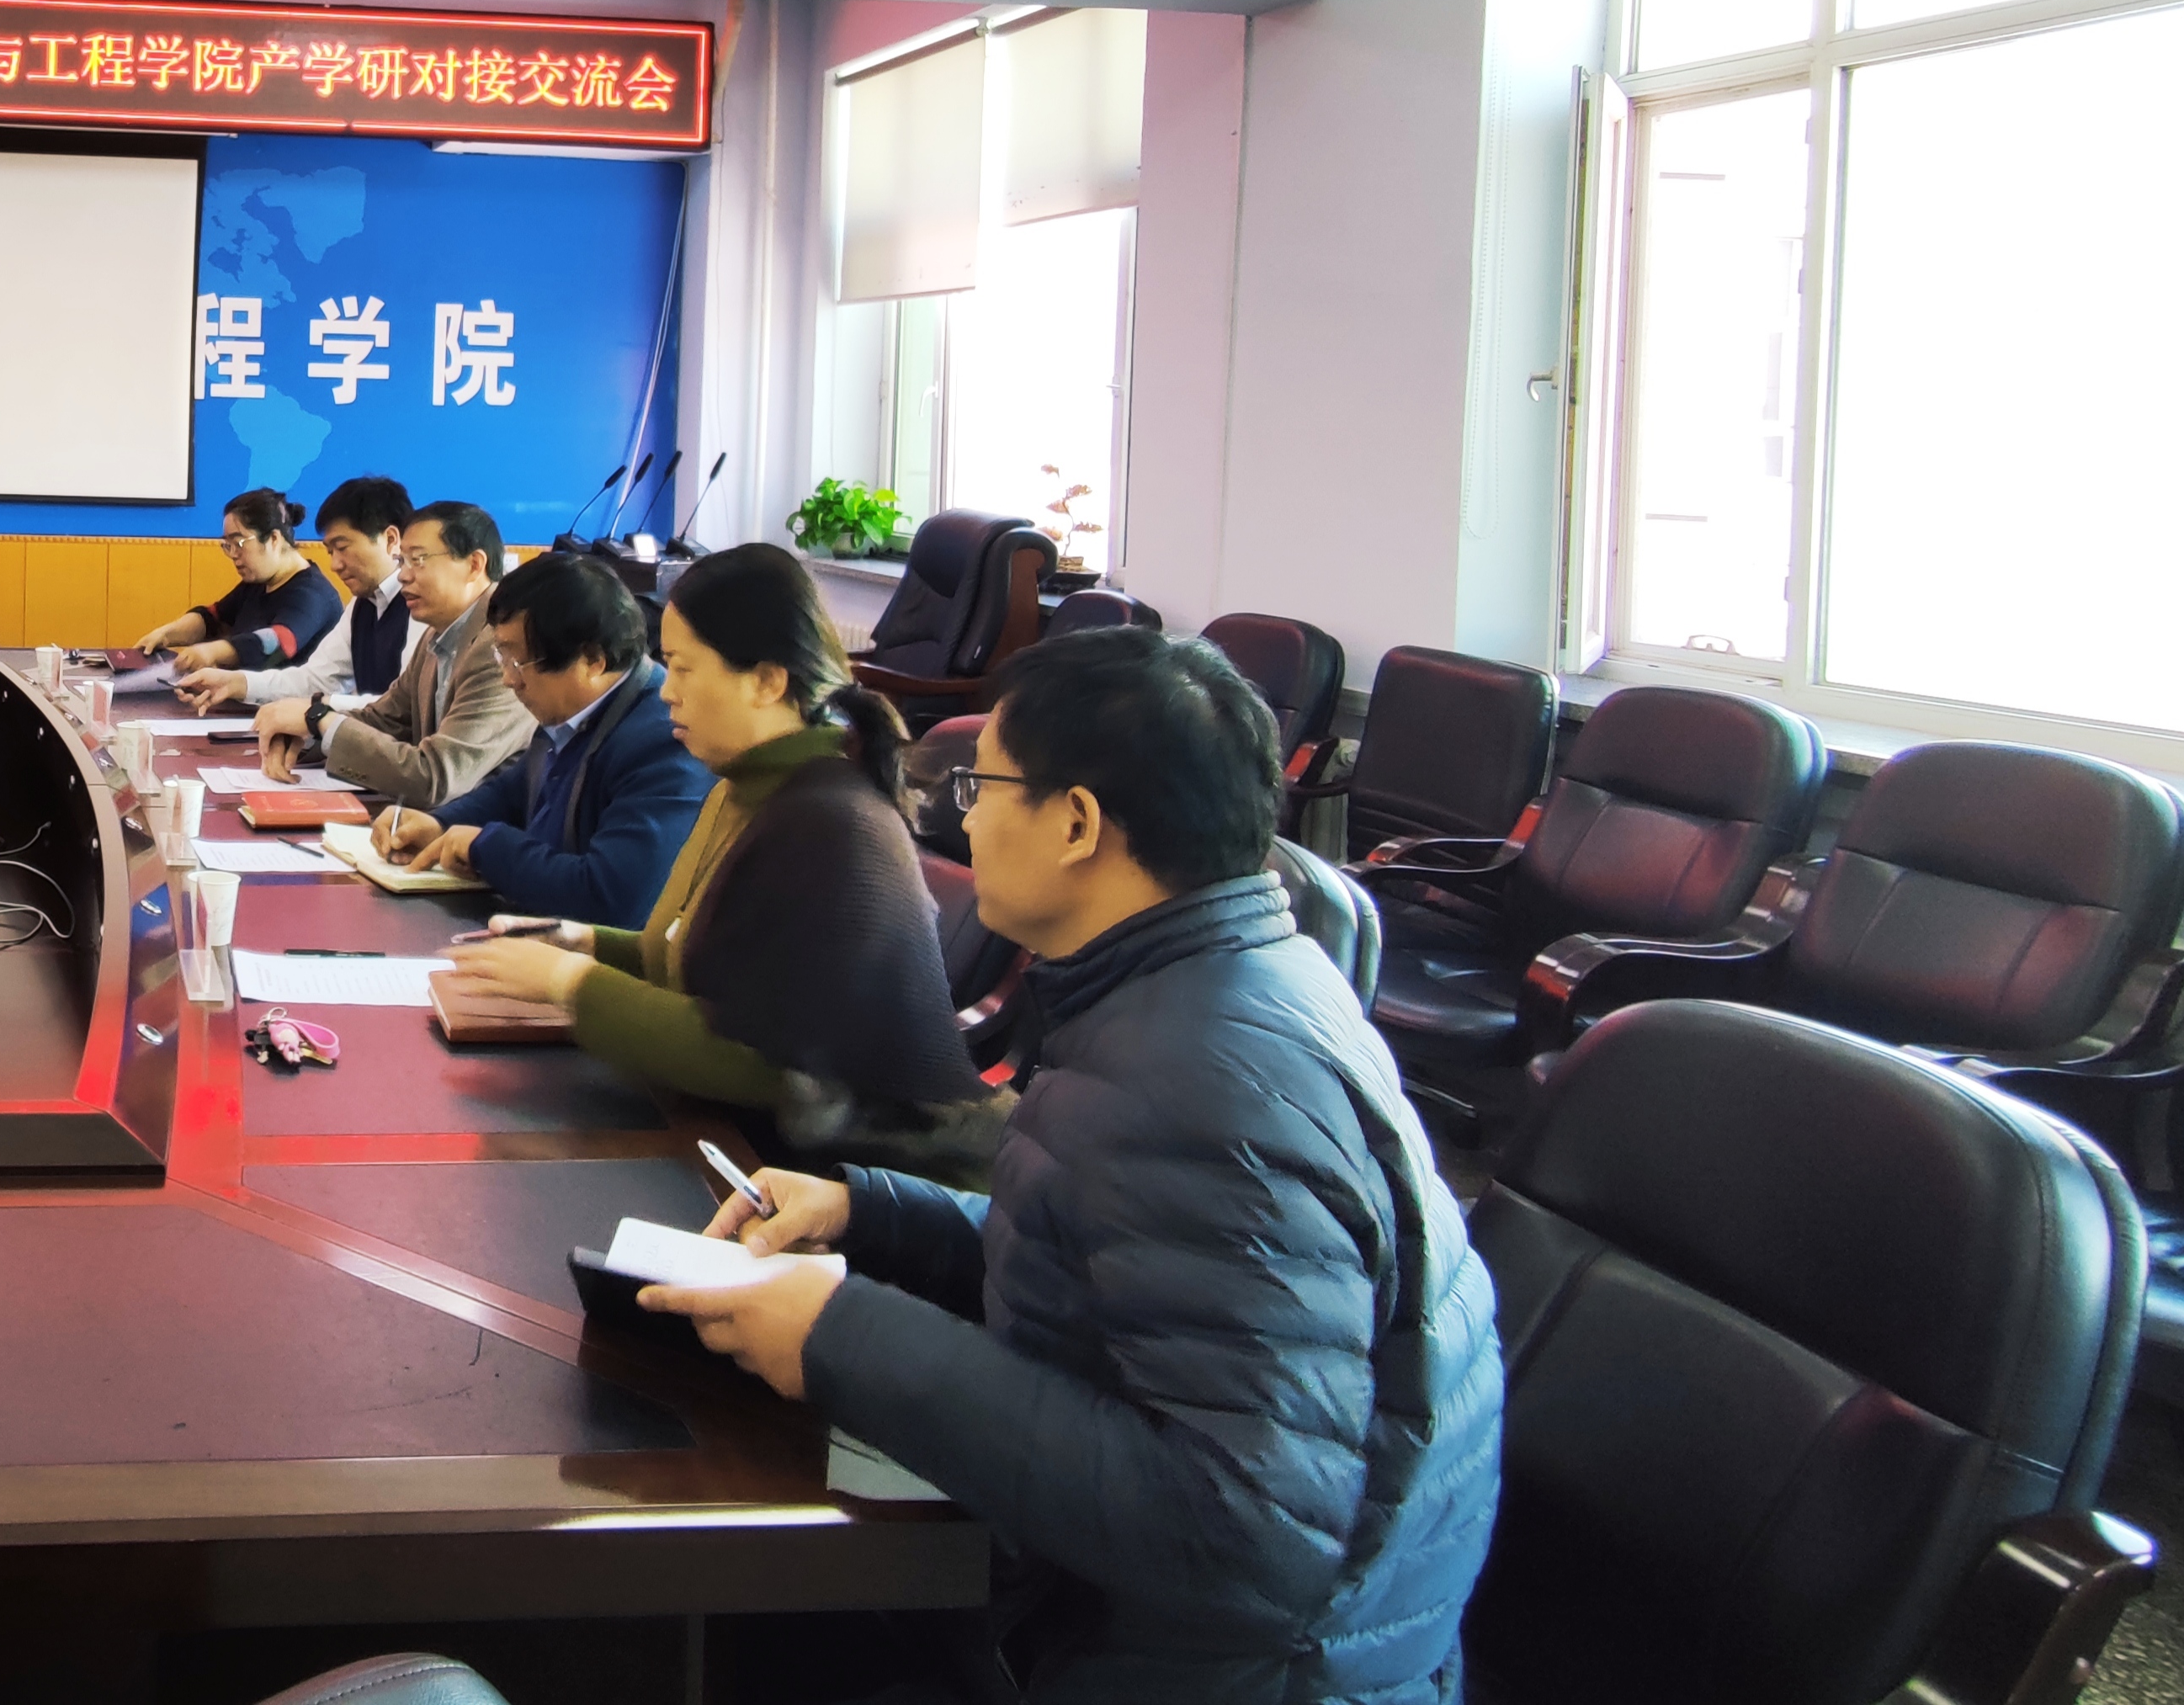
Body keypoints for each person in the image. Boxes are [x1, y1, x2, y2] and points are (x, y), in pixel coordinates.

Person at [641, 629, 1503, 1705]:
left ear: (1078, 823)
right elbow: (1128, 1270)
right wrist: (873, 1213)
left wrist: (840, 1334)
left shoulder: (1199, 1081)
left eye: (981, 787)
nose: (961, 817)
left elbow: (1241, 1528)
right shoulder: (1224, 980)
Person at [438, 542, 994, 1178]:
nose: (666, 693)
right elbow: (697, 956)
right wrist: (584, 942)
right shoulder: (745, 782)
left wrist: (567, 982)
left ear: (766, 681)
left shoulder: (829, 821)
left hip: (851, 1179)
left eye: (682, 668)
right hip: (748, 1147)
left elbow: (764, 1064)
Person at [373, 551, 711, 930]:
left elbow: (613, 897)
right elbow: (515, 793)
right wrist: (440, 824)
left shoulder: (664, 739)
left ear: (593, 660)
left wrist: (483, 848)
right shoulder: (570, 711)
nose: (508, 679)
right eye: (502, 656)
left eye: (519, 663)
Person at [252, 498, 529, 807]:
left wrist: (318, 719)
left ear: (474, 565)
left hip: (480, 828)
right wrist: (308, 732)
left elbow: (436, 777)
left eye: (418, 560)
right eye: (402, 561)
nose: (402, 576)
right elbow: (383, 719)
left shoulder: (500, 647)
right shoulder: (438, 634)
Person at [177, 473, 410, 711]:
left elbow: (403, 707)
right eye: (331, 552)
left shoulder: (418, 609)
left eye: (342, 548)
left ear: (391, 540)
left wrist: (318, 711)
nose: (335, 565)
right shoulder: (363, 605)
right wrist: (235, 683)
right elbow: (315, 680)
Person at [130, 486, 340, 671]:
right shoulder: (257, 583)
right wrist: (166, 634)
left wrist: (213, 652)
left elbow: (278, 642)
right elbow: (212, 619)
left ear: (274, 539)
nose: (232, 555)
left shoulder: (313, 595)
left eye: (239, 543)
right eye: (227, 546)